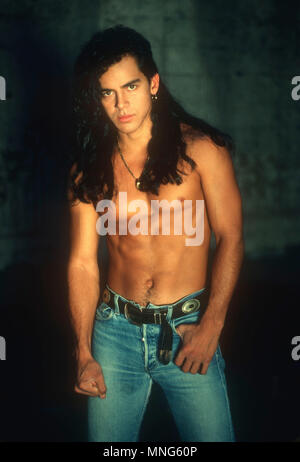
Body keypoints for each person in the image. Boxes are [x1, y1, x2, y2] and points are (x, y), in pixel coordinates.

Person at [67, 25, 244, 442]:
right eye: (107, 92)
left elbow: (231, 237)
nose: (120, 103)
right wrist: (83, 351)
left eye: (130, 86)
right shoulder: (87, 170)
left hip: (186, 330)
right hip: (114, 332)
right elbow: (81, 262)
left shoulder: (202, 150)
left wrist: (211, 327)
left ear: (154, 84)